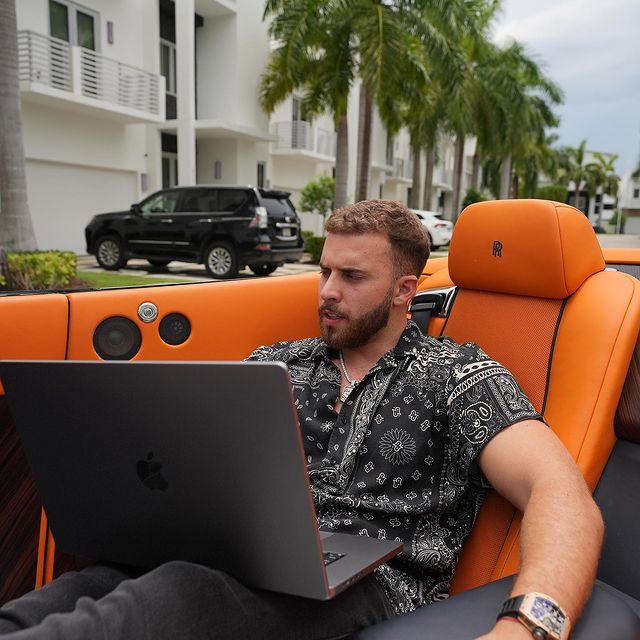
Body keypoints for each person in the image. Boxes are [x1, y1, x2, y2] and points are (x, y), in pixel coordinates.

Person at [0, 199, 602, 639]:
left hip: (372, 583)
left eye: (352, 277)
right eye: (324, 272)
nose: (327, 292)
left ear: (403, 290)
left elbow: (559, 493)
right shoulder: (277, 364)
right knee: (72, 592)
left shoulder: (457, 376)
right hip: (244, 551)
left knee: (175, 596)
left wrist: (528, 625)